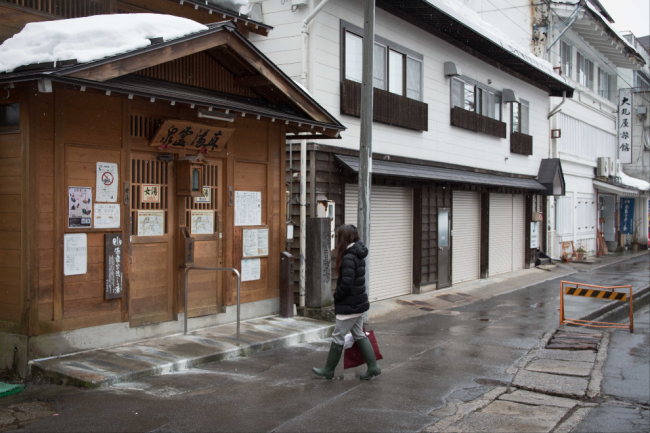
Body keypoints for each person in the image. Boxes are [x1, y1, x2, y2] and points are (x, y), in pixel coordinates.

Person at [312, 224, 381, 380]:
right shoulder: (357, 253)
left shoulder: (349, 257)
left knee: (338, 336)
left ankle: (329, 370)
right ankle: (373, 367)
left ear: (343, 238)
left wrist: (337, 296)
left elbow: (347, 284)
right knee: (359, 334)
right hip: (358, 302)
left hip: (349, 305)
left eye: (338, 237)